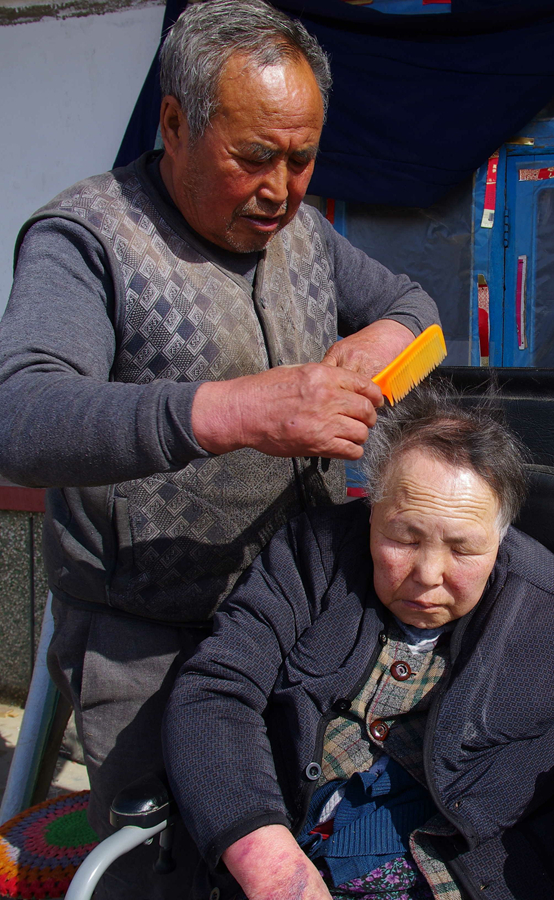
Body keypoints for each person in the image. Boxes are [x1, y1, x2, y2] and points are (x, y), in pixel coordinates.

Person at [0, 1, 439, 896]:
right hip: (152, 640)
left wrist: (378, 345)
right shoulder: (87, 238)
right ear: (174, 122)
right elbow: (22, 415)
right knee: (179, 867)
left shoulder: (304, 235)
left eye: (302, 158)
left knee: (310, 846)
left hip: (303, 620)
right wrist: (237, 412)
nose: (281, 189)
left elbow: (416, 309)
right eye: (253, 158)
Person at [164, 383, 554, 900]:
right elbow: (216, 689)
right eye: (404, 537)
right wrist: (269, 864)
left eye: (463, 550)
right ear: (371, 508)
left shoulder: (545, 603)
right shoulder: (310, 557)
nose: (428, 574)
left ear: (500, 536)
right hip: (296, 860)